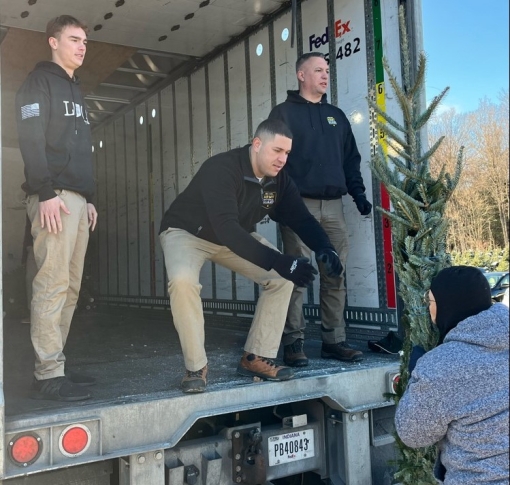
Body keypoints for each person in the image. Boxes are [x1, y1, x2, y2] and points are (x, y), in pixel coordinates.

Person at [159, 119, 342, 393]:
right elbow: (226, 227)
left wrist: (325, 247)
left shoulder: (278, 180)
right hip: (187, 233)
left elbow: (301, 218)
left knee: (281, 279)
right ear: (257, 145)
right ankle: (195, 368)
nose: (282, 159)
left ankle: (255, 357)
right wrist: (280, 260)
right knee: (183, 282)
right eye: (276, 151)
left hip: (234, 236)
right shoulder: (222, 168)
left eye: (287, 153)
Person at [268, 52, 372, 366]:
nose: (325, 75)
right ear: (301, 75)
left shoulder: (336, 116)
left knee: (334, 274)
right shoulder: (283, 114)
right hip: (297, 207)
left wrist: (358, 194)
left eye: (327, 70)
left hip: (334, 208)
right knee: (296, 275)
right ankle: (294, 342)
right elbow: (272, 161)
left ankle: (334, 341)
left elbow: (350, 159)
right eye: (318, 70)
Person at [16, 15, 98, 402]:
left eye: (85, 41)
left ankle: (55, 365)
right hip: (54, 197)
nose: (82, 46)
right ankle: (47, 373)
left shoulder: (76, 89)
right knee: (51, 284)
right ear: (53, 42)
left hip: (77, 200)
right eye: (74, 39)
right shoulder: (39, 83)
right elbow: (30, 139)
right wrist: (45, 191)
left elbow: (79, 151)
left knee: (71, 287)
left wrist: (90, 198)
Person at [395, 266, 509, 484]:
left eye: (430, 302)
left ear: (447, 306)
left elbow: (414, 434)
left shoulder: (441, 366)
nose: (429, 309)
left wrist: (417, 380)